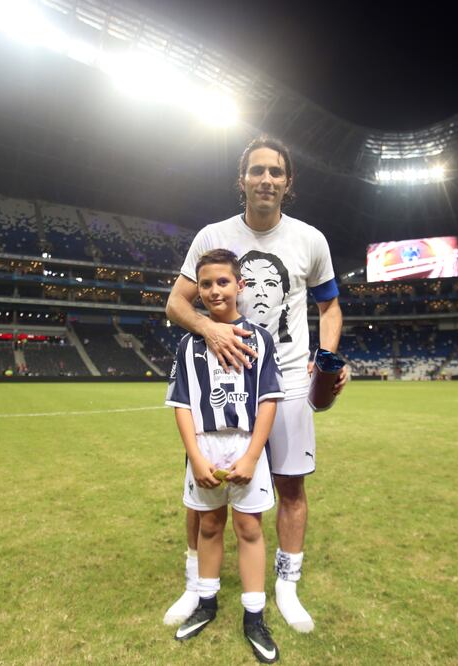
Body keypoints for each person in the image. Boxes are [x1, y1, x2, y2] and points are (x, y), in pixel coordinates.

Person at [164, 135, 349, 633]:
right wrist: (209, 328)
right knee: (200, 487)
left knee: (291, 486)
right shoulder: (212, 235)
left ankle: (286, 586)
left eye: (276, 172)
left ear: (288, 183)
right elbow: (176, 303)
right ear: (242, 179)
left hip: (286, 379)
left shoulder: (310, 239)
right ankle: (192, 584)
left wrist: (326, 357)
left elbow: (329, 306)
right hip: (222, 381)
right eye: (257, 171)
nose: (266, 179)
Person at [166, 249, 285, 663]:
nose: (215, 290)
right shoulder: (188, 344)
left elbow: (268, 400)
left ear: (240, 285)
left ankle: (254, 614)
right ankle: (206, 602)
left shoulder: (260, 339)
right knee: (210, 526)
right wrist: (195, 458)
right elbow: (181, 404)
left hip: (246, 446)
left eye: (222, 282)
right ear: (196, 291)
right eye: (205, 284)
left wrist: (253, 456)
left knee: (250, 529)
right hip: (205, 446)